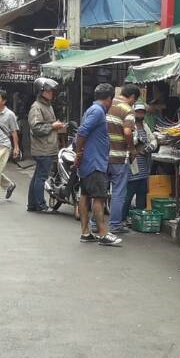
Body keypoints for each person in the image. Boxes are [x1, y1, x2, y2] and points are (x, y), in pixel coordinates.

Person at [73, 83, 122, 246]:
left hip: (90, 161)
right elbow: (82, 131)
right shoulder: (98, 111)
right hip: (94, 162)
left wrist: (80, 154)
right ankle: (103, 233)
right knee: (99, 198)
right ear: (109, 99)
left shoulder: (92, 110)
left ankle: (86, 233)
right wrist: (79, 153)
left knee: (86, 196)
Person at [27, 77, 66, 212]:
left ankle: (32, 204)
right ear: (41, 91)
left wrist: (55, 126)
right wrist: (53, 126)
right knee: (41, 177)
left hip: (46, 147)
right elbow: (36, 128)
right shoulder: (37, 107)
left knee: (38, 175)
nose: (51, 93)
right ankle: (40, 205)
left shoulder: (47, 106)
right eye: (48, 91)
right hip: (43, 148)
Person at [107, 83, 140, 233]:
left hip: (103, 155)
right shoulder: (128, 109)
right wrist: (132, 149)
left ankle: (95, 223)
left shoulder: (107, 103)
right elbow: (127, 132)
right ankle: (115, 225)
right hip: (119, 157)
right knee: (118, 192)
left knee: (100, 192)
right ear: (132, 97)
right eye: (135, 100)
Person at [125, 99, 157, 216]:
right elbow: (128, 140)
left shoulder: (145, 126)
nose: (140, 114)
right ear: (134, 112)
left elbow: (153, 140)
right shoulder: (130, 125)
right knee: (128, 196)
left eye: (142, 112)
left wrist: (150, 147)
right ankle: (122, 219)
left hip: (144, 168)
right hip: (132, 167)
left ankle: (138, 218)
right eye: (138, 112)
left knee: (142, 195)